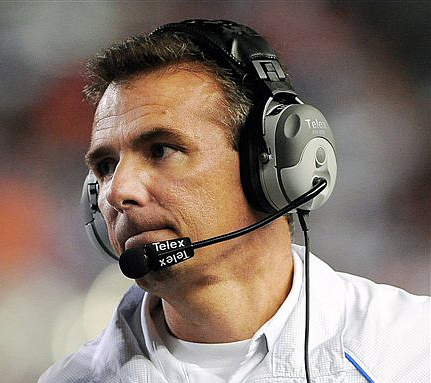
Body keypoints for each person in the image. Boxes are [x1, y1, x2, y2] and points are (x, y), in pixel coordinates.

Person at [39, 20, 429, 383]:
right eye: (106, 165)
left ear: (273, 161)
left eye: (160, 150)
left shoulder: (412, 351)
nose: (117, 190)